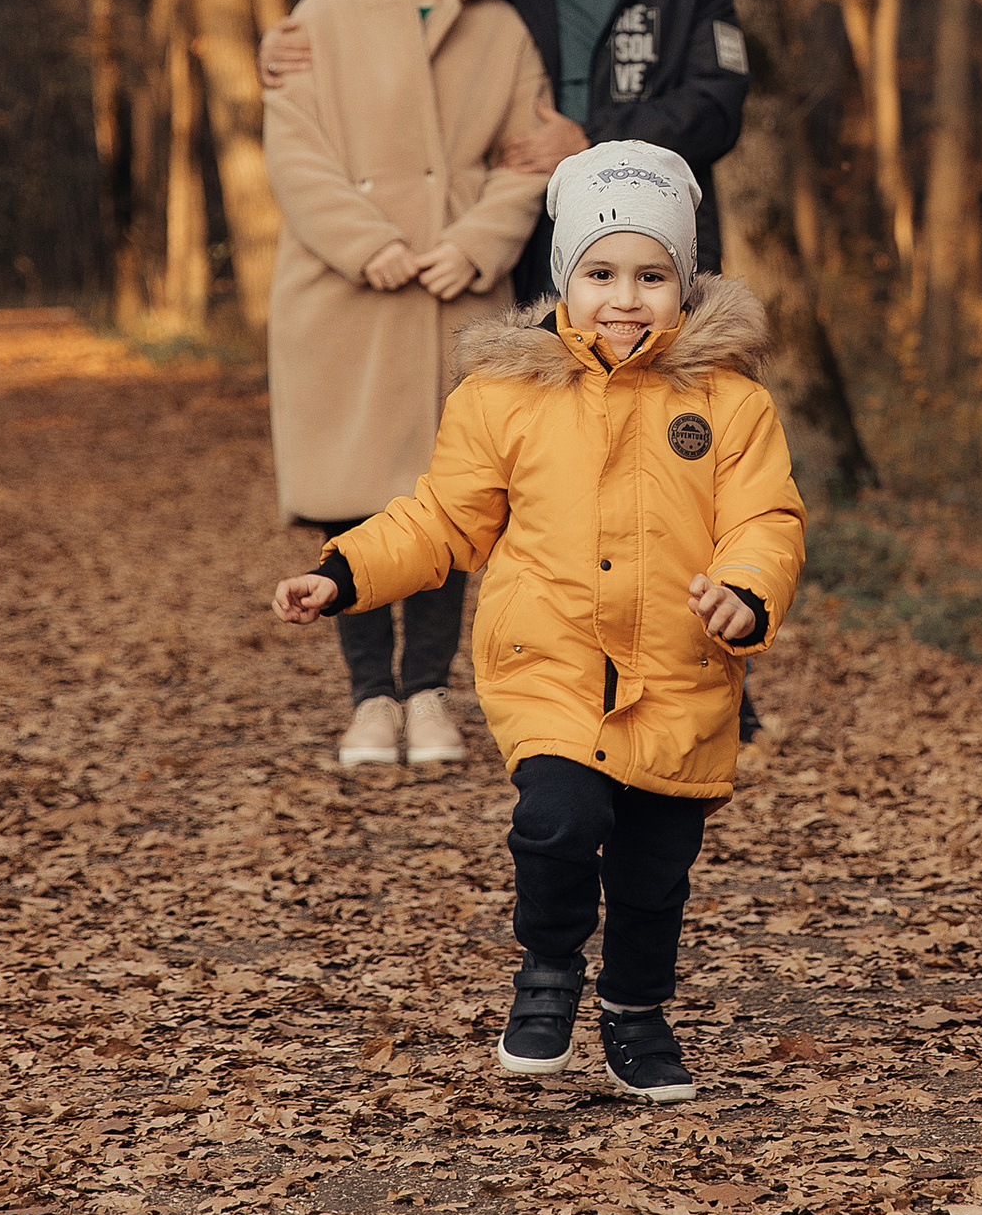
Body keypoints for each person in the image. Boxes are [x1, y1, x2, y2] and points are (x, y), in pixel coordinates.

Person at [270, 139, 802, 1104]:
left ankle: (637, 1014)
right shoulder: (503, 396)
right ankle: (548, 970)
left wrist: (747, 589)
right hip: (548, 661)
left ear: (686, 284)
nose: (626, 298)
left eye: (652, 275)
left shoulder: (731, 404)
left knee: (653, 874)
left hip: (680, 671)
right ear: (565, 278)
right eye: (601, 273)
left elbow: (766, 519)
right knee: (558, 820)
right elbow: (440, 520)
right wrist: (344, 572)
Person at [263, 0, 552, 780]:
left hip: (454, 296)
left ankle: (428, 689)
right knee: (354, 499)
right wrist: (368, 243)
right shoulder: (325, 14)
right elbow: (295, 149)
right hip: (347, 293)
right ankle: (369, 700)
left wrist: (472, 243)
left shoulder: (502, 28)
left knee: (451, 498)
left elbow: (531, 157)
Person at [259, 0, 750, 307]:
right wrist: (282, 44)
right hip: (535, 240)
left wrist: (591, 139)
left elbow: (717, 108)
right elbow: (401, 3)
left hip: (656, 239)